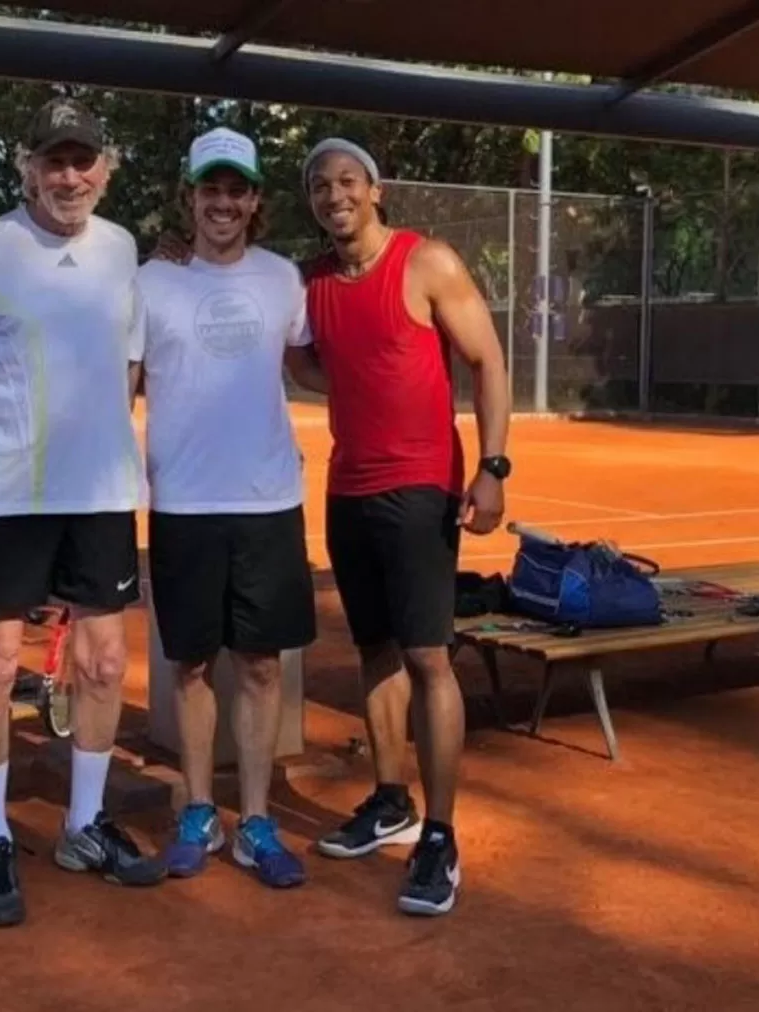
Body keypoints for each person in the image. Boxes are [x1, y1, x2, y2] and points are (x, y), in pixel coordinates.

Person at [0, 96, 165, 928]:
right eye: (54, 161)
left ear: (104, 170)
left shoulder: (122, 251)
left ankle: (82, 826)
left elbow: (133, 366)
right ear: (27, 168)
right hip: (3, 495)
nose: (69, 176)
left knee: (105, 665)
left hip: (102, 496)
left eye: (83, 161)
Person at [288, 138, 511, 917]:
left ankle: (440, 835)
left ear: (375, 190)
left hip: (421, 490)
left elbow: (486, 359)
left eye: (347, 181)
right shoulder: (309, 281)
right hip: (348, 488)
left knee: (426, 657)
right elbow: (306, 363)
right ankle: (390, 800)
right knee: (375, 649)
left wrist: (494, 467)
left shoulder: (427, 262)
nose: (334, 195)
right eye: (320, 186)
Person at [136, 127, 315, 889]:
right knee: (192, 666)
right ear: (190, 197)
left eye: (236, 190)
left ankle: (259, 821)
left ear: (254, 202)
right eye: (209, 189)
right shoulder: (150, 280)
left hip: (269, 500)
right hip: (182, 501)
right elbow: (125, 383)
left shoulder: (284, 279)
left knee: (264, 665)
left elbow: (309, 362)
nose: (222, 203)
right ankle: (200, 810)